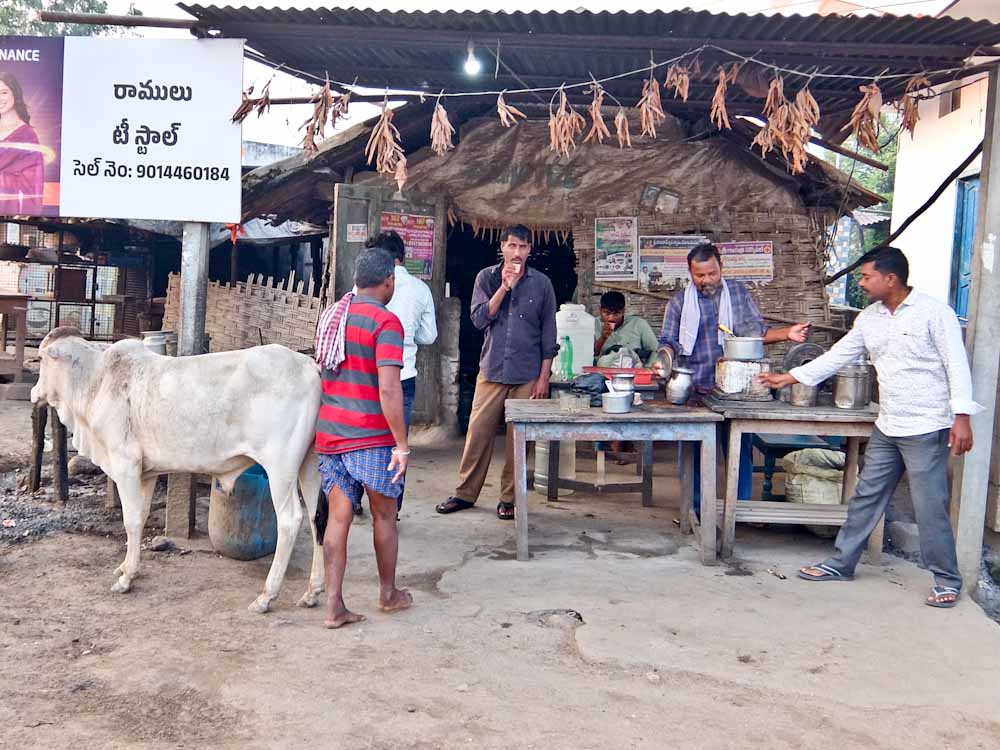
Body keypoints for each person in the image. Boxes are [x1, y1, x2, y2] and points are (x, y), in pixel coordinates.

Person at [760, 246, 979, 608]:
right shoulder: (870, 318)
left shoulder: (934, 314)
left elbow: (957, 366)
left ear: (890, 279)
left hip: (925, 426)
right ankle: (841, 563)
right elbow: (838, 356)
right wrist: (790, 377)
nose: (861, 283)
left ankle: (946, 579)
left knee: (930, 507)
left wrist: (962, 418)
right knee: (865, 495)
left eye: (866, 277)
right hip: (888, 424)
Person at [658, 242, 810, 511]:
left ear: (721, 267)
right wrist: (664, 358)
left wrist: (787, 333)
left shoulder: (737, 294)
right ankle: (693, 511)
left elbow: (756, 332)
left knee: (738, 450)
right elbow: (668, 341)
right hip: (693, 388)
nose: (707, 280)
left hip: (734, 389)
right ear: (690, 273)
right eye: (700, 275)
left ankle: (738, 510)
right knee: (692, 453)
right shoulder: (679, 302)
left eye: (712, 273)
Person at [313, 249, 412, 628]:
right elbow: (389, 390)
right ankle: (388, 594)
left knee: (338, 519)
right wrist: (401, 444)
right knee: (384, 515)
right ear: (389, 281)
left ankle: (334, 606)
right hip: (371, 437)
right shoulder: (385, 322)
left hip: (332, 435)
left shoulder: (333, 316)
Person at [436, 224, 558, 521]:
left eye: (524, 247)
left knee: (519, 438)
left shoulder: (542, 284)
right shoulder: (486, 278)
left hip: (527, 372)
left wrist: (544, 376)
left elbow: (548, 333)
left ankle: (509, 498)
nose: (518, 252)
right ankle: (465, 493)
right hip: (491, 369)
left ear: (530, 250)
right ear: (502, 247)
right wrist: (505, 287)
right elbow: (479, 320)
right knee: (478, 433)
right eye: (513, 246)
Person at [349, 230, 437, 516]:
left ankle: (353, 499)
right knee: (396, 443)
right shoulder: (420, 289)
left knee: (360, 437)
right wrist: (408, 336)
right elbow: (430, 336)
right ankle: (391, 507)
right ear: (402, 256)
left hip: (364, 375)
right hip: (402, 377)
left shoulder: (359, 289)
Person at [0, 72, 44, 215]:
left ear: (15, 93)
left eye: (4, 92)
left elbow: (32, 185)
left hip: (10, 213)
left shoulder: (27, 136)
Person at [593, 291, 659, 366]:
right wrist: (603, 338)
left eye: (616, 313)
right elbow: (590, 355)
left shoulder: (639, 324)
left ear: (623, 311)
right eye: (606, 313)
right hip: (602, 373)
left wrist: (647, 368)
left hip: (635, 372)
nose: (611, 318)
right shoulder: (592, 325)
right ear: (600, 310)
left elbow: (655, 350)